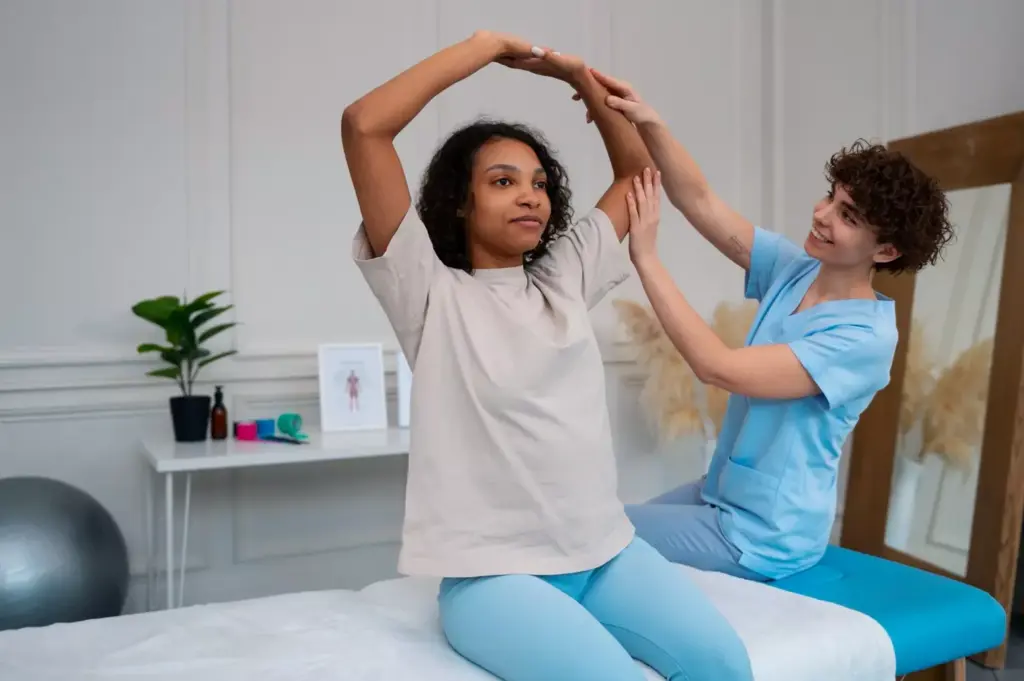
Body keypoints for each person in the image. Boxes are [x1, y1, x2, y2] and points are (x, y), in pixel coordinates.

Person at [342, 30, 752, 681]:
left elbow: (638, 177)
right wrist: (484, 49)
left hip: (607, 556)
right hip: (495, 580)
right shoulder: (427, 291)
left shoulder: (563, 277)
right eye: (503, 181)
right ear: (459, 200)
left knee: (725, 664)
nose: (530, 195)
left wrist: (576, 77)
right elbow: (364, 127)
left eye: (538, 183)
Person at [571, 68, 954, 582]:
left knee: (595, 536)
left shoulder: (863, 339)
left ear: (885, 250)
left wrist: (646, 256)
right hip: (718, 495)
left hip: (764, 534)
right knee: (592, 523)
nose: (821, 215)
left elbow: (717, 367)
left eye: (848, 216)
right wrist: (650, 123)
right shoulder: (796, 269)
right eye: (830, 198)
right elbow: (700, 201)